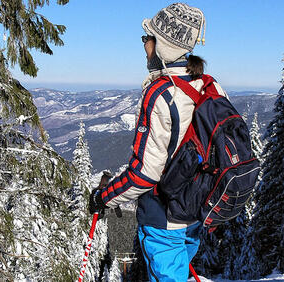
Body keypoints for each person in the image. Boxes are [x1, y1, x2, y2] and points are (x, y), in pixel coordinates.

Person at [89, 3, 228, 281]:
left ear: (161, 45)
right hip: (195, 211)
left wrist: (103, 198)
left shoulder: (160, 94)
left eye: (147, 39)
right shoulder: (211, 85)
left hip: (165, 217)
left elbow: (144, 174)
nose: (144, 47)